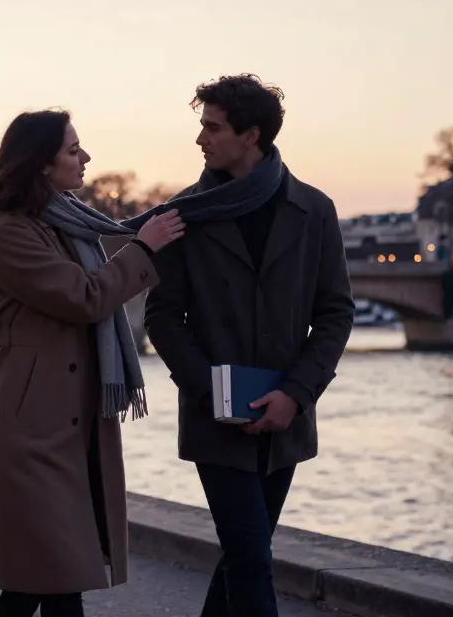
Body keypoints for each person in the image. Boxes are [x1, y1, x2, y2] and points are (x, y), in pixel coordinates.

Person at [144, 74, 354, 617]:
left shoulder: (315, 211)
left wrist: (295, 394)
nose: (200, 140)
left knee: (244, 554)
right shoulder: (183, 216)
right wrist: (211, 393)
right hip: (218, 421)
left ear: (251, 135)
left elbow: (335, 314)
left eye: (212, 128)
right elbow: (163, 318)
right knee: (252, 560)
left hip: (284, 419)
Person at [0, 109, 185, 617]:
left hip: (68, 418)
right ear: (42, 163)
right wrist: (143, 247)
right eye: (72, 150)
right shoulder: (12, 234)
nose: (85, 158)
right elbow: (83, 297)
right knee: (51, 571)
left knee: (49, 575)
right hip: (29, 426)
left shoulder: (64, 226)